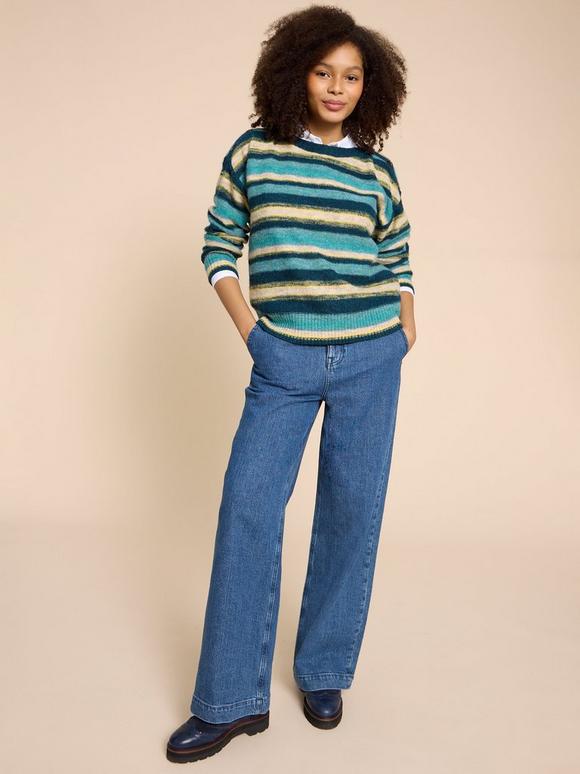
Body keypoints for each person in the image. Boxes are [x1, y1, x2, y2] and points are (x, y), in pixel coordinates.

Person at [166, 4, 416, 763]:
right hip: (284, 360)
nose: (337, 87)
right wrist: (252, 331)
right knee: (248, 506)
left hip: (371, 356)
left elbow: (398, 254)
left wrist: (404, 324)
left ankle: (325, 672)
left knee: (352, 513)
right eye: (323, 72)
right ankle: (230, 700)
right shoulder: (255, 153)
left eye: (353, 76)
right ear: (294, 74)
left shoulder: (376, 171)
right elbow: (219, 243)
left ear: (370, 87)